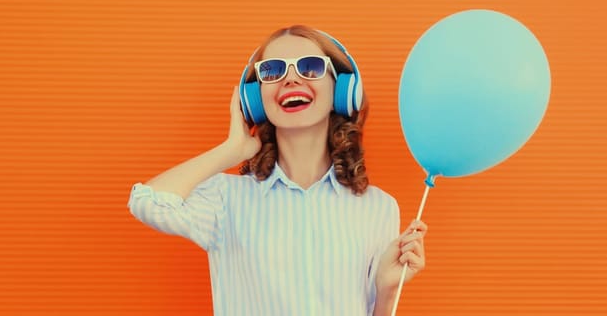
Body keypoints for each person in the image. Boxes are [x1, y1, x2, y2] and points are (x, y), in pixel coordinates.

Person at [128, 25, 427, 315]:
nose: (291, 79)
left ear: (341, 89)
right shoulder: (226, 199)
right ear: (255, 99)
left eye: (310, 67)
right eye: (273, 71)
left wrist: (387, 290)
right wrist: (232, 150)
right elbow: (146, 200)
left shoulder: (379, 208)